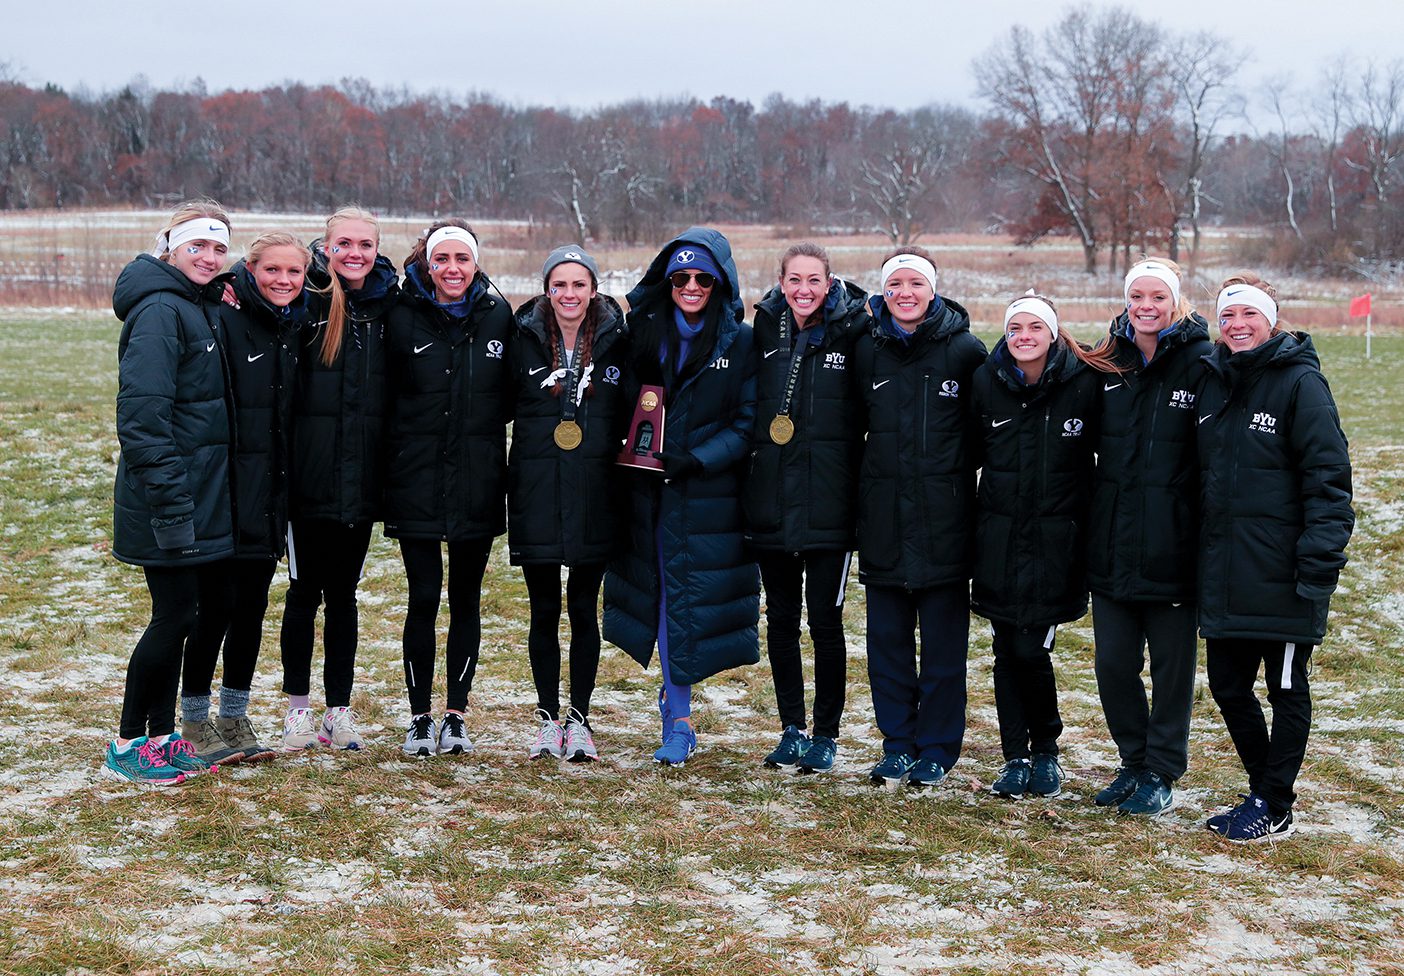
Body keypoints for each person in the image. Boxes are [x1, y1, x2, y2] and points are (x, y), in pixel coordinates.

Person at [1196, 273, 1353, 841]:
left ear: (1271, 320)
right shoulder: (1214, 382)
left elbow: (1329, 480)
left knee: (1285, 688)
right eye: (1228, 316)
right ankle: (1266, 791)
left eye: (1249, 316)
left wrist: (1318, 561)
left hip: (1285, 573)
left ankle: (1274, 801)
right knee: (1227, 686)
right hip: (1226, 571)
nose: (1237, 326)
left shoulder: (1300, 383)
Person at [603, 228, 759, 766]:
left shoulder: (739, 341)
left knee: (685, 602)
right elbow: (621, 399)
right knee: (662, 597)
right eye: (681, 277)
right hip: (646, 492)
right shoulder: (642, 331)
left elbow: (746, 423)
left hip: (705, 496)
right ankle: (674, 708)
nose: (691, 286)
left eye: (702, 278)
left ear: (719, 283)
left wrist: (697, 458)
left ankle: (680, 718)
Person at [104, 201, 236, 785]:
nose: (210, 258)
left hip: (195, 494)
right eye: (197, 247)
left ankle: (163, 737)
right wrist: (171, 502)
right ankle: (130, 741)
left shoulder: (193, 304)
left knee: (184, 615)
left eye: (218, 248)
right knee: (174, 615)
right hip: (170, 498)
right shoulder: (160, 309)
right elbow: (141, 418)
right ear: (170, 249)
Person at [852, 247, 987, 790]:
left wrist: (947, 479)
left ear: (933, 289)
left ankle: (936, 748)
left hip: (944, 524)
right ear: (882, 292)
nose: (904, 293)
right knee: (886, 645)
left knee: (943, 650)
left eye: (915, 283)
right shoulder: (867, 350)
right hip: (883, 520)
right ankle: (896, 742)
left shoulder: (965, 351)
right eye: (894, 285)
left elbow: (982, 434)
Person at [177, 233, 313, 766]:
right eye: (272, 270)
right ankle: (193, 717)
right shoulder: (224, 314)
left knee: (253, 609)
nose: (283, 280)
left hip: (271, 491)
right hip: (225, 489)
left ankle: (234, 714)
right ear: (248, 270)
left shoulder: (296, 323)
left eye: (294, 272)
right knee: (215, 608)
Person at [1085, 258, 1212, 816]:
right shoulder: (1105, 362)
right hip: (1112, 540)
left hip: (1174, 544)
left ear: (1175, 302)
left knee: (1171, 669)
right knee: (1113, 663)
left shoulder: (1202, 362)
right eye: (1137, 295)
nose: (1146, 306)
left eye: (1158, 296)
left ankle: (1162, 770)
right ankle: (1132, 761)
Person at [385, 220, 513, 757]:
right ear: (428, 263)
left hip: (477, 480)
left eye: (463, 259)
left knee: (465, 599)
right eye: (443, 260)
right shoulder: (401, 314)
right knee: (422, 598)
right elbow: (386, 395)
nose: (453, 269)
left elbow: (510, 395)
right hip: (415, 479)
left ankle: (455, 714)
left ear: (476, 263)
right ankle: (418, 716)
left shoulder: (499, 316)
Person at [744, 243, 868, 775]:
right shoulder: (764, 331)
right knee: (780, 623)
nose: (804, 291)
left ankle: (827, 732)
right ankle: (791, 726)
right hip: (772, 502)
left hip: (828, 508)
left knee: (826, 624)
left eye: (814, 280)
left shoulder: (854, 331)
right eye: (794, 280)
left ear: (829, 282)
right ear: (781, 281)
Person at [970, 291, 1100, 799]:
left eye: (1035, 328)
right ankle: (1014, 757)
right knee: (1006, 648)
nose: (1024, 337)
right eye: (1015, 328)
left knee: (1031, 649)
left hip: (1055, 543)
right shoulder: (987, 380)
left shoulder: (1082, 382)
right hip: (999, 539)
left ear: (1052, 333)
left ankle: (1046, 749)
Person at [280, 207, 397, 752]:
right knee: (304, 594)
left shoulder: (388, 304)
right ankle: (297, 710)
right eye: (344, 243)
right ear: (324, 247)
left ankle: (338, 711)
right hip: (307, 480)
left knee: (344, 596)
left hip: (361, 479)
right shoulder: (304, 298)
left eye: (365, 244)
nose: (355, 253)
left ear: (378, 249)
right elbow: (253, 281)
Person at [509, 245, 631, 762]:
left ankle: (578, 718)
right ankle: (545, 718)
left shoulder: (618, 342)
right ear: (546, 289)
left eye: (579, 284)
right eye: (559, 284)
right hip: (536, 485)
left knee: (583, 607)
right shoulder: (521, 338)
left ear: (594, 290)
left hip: (595, 489)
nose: (569, 294)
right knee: (542, 610)